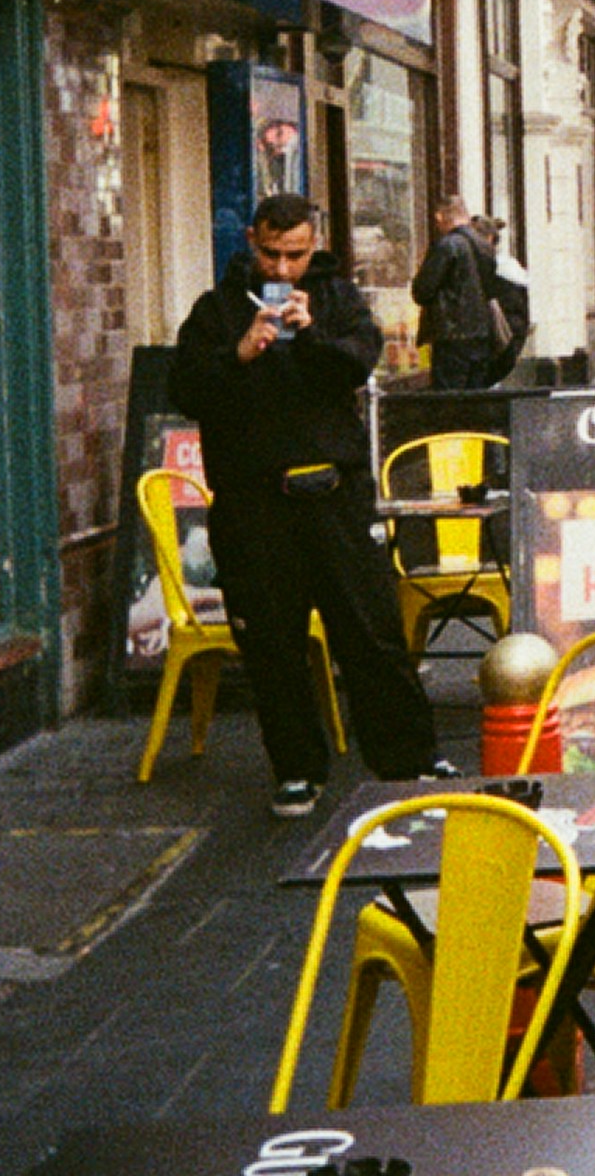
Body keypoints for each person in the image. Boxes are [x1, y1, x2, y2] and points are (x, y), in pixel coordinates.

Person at [167, 193, 442, 817]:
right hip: (253, 500)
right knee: (272, 643)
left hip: (333, 493)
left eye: (296, 254)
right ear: (251, 242)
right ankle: (296, 769)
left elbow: (355, 364)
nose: (283, 269)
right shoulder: (215, 311)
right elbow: (185, 388)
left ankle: (406, 759)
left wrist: (311, 332)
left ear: (313, 244)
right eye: (271, 253)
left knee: (370, 632)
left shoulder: (339, 300)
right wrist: (238, 354)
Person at [409, 198, 501, 390]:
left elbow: (422, 290)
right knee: (475, 395)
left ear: (440, 217)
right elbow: (491, 289)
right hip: (481, 333)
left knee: (449, 398)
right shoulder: (485, 246)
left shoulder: (447, 245)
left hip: (451, 334)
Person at [471, 215, 533, 385]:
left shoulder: (497, 274)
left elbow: (510, 319)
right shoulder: (511, 269)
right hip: (503, 351)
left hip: (494, 352)